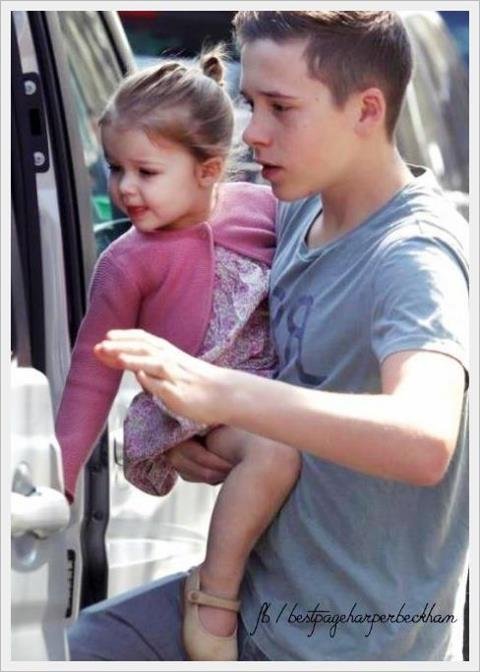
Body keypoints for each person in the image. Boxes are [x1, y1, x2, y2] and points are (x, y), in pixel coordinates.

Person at [70, 10, 469, 661]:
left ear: (367, 110)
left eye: (281, 108)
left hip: (346, 646)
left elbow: (425, 439)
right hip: (257, 604)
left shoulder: (414, 254)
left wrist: (223, 394)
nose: (252, 132)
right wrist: (190, 434)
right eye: (251, 103)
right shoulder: (295, 207)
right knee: (79, 646)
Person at [55, 46, 303, 661]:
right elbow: (91, 373)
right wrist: (60, 479)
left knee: (283, 450)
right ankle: (214, 594)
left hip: (261, 394)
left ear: (209, 169)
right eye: (115, 168)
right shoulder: (126, 263)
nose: (124, 188)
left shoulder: (266, 211)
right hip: (191, 414)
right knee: (273, 453)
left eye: (145, 171)